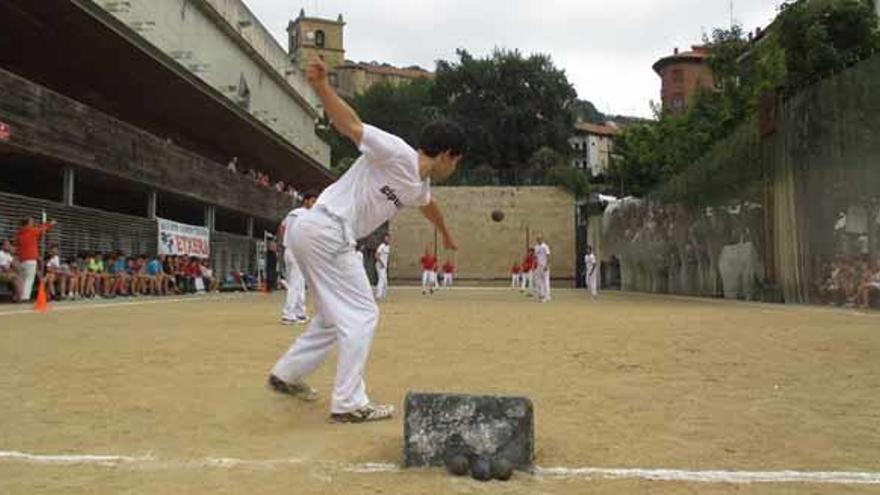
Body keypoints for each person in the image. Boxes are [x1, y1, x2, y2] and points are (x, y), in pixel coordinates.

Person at [268, 56, 464, 424]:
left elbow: (429, 206)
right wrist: (321, 86)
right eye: (456, 162)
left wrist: (446, 234)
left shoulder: (418, 185)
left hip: (313, 233)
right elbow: (351, 126)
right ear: (446, 155)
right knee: (362, 314)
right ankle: (348, 402)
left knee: (332, 315)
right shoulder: (397, 152)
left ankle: (288, 374)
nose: (454, 168)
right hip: (327, 230)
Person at [279, 190, 319, 325]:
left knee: (299, 283)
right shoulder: (308, 215)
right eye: (313, 201)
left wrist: (286, 240)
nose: (314, 204)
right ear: (306, 201)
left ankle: (300, 313)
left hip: (289, 250)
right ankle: (288, 314)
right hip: (298, 251)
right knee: (296, 285)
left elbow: (282, 227)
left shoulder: (292, 213)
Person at [16, 217, 55, 302]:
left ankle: (20, 296)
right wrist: (50, 224)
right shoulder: (32, 231)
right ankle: (25, 297)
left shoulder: (19, 233)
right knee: (29, 278)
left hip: (21, 258)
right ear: (28, 223)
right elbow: (42, 229)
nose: (33, 223)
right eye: (31, 222)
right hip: (30, 258)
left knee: (22, 278)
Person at [374, 234, 391, 300]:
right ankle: (378, 295)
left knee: (385, 282)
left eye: (388, 239)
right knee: (381, 280)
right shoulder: (382, 246)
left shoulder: (388, 247)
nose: (387, 240)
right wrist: (381, 263)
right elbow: (376, 255)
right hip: (380, 265)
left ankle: (383, 296)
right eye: (386, 238)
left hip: (384, 266)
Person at [535, 236, 551, 302]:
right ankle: (542, 295)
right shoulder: (536, 247)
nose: (539, 240)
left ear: (542, 239)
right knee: (540, 281)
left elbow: (548, 256)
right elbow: (536, 257)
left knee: (546, 281)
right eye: (538, 239)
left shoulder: (545, 246)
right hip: (539, 266)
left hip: (544, 265)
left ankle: (547, 296)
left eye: (540, 239)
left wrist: (547, 265)